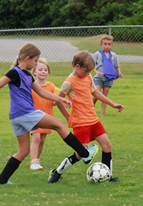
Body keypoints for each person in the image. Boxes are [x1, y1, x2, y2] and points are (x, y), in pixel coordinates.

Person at [0, 43, 98, 185]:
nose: (35, 64)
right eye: (35, 61)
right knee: (59, 124)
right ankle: (84, 154)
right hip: (25, 113)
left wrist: (60, 99)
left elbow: (41, 92)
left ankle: (1, 180)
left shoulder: (28, 75)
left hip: (16, 117)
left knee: (24, 150)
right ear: (27, 58)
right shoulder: (14, 72)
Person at [49, 51, 124, 184]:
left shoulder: (88, 77)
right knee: (81, 154)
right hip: (81, 124)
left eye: (89, 71)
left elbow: (96, 93)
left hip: (94, 120)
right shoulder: (68, 82)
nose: (88, 73)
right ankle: (57, 172)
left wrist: (113, 104)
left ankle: (108, 176)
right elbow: (57, 101)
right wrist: (67, 117)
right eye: (86, 71)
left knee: (107, 145)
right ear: (77, 66)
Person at [29, 58, 56, 171]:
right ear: (34, 72)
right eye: (40, 70)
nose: (43, 72)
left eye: (45, 70)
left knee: (42, 140)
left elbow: (55, 99)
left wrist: (58, 101)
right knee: (36, 138)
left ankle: (37, 160)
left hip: (46, 117)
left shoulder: (51, 86)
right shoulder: (31, 86)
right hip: (34, 117)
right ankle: (33, 162)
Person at [93, 35, 123, 117]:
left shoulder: (113, 55)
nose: (107, 46)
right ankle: (90, 107)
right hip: (98, 78)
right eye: (105, 44)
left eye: (109, 44)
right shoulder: (97, 54)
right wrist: (97, 71)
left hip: (108, 78)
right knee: (97, 94)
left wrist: (119, 72)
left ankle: (102, 114)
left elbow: (116, 66)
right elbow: (92, 65)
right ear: (101, 45)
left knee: (104, 96)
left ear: (112, 45)